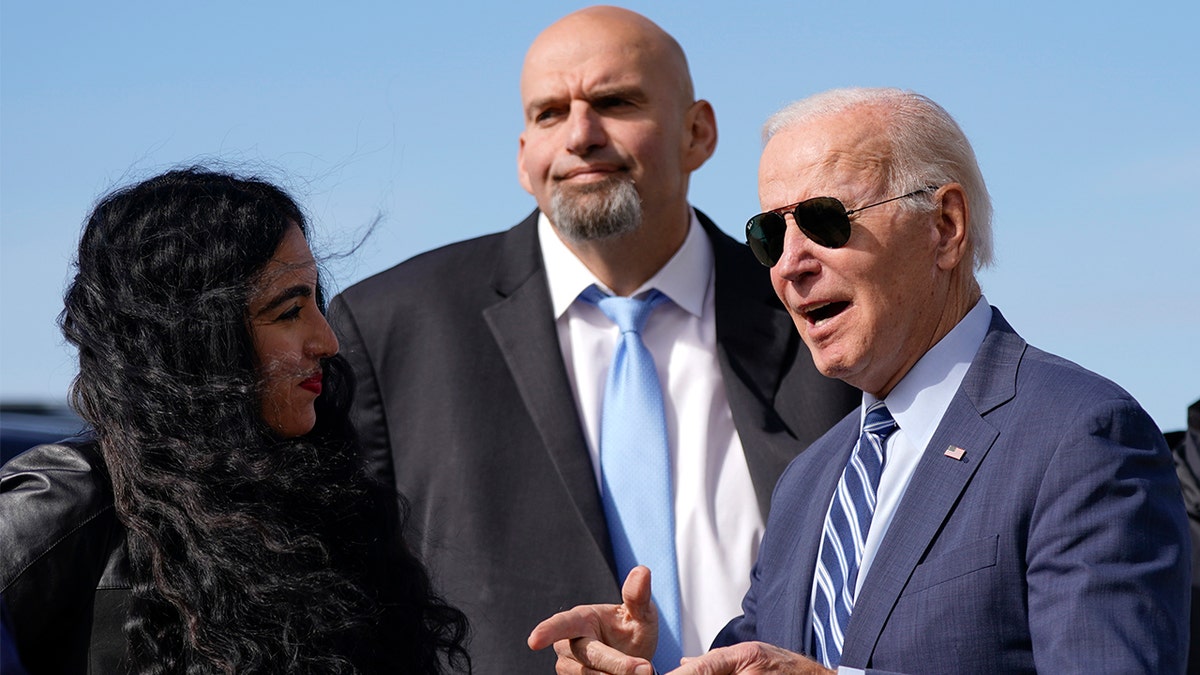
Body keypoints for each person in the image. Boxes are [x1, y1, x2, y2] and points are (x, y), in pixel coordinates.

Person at [528, 87, 1191, 674]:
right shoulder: (811, 476)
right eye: (767, 235)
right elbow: (765, 660)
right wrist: (652, 665)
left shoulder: (1080, 435)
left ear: (945, 226)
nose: (790, 264)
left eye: (823, 219)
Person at [328, 6, 858, 673]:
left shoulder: (817, 312)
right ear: (524, 157)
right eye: (550, 113)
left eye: (615, 102)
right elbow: (346, 603)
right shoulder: (388, 329)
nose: (581, 134)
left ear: (698, 133)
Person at [0, 168, 471, 674]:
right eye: (288, 311)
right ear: (197, 336)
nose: (327, 342)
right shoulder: (71, 497)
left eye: (315, 301)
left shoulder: (328, 501)